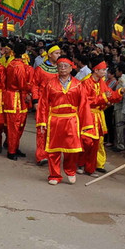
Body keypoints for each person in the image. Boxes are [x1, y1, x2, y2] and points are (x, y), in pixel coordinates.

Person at [34, 56, 93, 185]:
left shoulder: (78, 85)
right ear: (57, 68)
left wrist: (86, 125)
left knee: (72, 150)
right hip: (55, 119)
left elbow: (83, 105)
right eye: (60, 66)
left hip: (71, 120)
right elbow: (43, 103)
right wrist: (42, 122)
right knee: (53, 150)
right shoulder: (50, 84)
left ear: (71, 68)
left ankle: (70, 171)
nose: (63, 68)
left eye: (65, 66)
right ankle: (54, 174)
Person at [80, 60, 123, 174]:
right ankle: (81, 162)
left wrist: (119, 92)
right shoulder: (86, 83)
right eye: (103, 70)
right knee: (86, 141)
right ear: (96, 70)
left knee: (96, 143)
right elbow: (85, 101)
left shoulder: (101, 82)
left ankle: (90, 167)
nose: (105, 72)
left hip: (98, 116)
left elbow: (110, 94)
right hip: (88, 116)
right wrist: (103, 98)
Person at [2, 43, 32, 160]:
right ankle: (11, 150)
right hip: (16, 98)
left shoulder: (11, 64)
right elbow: (22, 84)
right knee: (15, 125)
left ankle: (14, 147)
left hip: (12, 96)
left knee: (15, 125)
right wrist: (29, 89)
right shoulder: (19, 66)